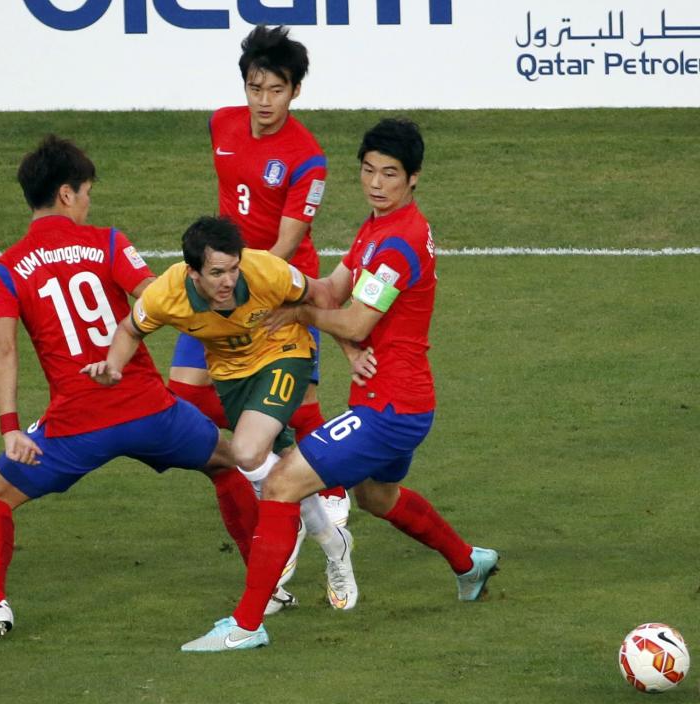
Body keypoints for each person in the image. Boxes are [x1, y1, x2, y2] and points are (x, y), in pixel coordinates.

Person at [180, 118, 500, 652]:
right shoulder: (375, 227)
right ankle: (470, 564)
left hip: (391, 409)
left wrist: (298, 315)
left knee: (283, 481)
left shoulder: (399, 243)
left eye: (390, 174)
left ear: (414, 178)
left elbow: (353, 323)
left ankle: (246, 624)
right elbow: (332, 288)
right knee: (377, 496)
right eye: (369, 170)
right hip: (394, 401)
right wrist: (272, 285)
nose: (376, 182)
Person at [0, 135, 260, 644]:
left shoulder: (5, 270)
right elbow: (154, 297)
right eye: (85, 192)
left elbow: (4, 351)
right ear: (65, 194)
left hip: (76, 427)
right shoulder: (108, 242)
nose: (89, 201)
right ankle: (267, 585)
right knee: (228, 459)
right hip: (152, 410)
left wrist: (11, 428)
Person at [83, 215, 358, 615]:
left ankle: (291, 523)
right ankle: (336, 545)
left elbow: (322, 294)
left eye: (233, 269)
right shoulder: (166, 294)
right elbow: (129, 330)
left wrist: (351, 353)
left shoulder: (265, 270)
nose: (228, 281)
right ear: (192, 272)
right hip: (231, 377)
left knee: (245, 453)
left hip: (285, 356)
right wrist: (114, 366)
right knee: (280, 470)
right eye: (216, 273)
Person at [166, 23, 353, 597]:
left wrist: (243, 294)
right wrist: (220, 283)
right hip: (220, 287)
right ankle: (269, 470)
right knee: (185, 399)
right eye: (255, 87)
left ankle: (328, 491)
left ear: (295, 91)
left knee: (304, 407)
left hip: (277, 292)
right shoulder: (220, 122)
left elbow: (284, 246)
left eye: (276, 90)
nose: (263, 102)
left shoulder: (308, 158)